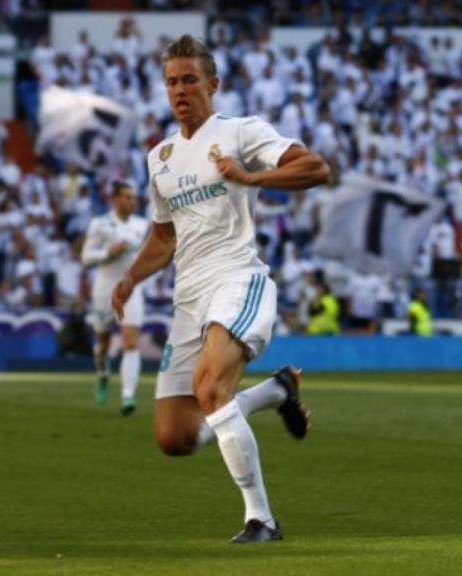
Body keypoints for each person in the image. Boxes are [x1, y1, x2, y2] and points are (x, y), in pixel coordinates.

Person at [111, 35, 330, 543]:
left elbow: (316, 168)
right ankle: (278, 391)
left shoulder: (239, 132)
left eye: (190, 79)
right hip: (189, 297)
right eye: (172, 81)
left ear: (213, 83)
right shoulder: (160, 157)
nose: (180, 90)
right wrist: (130, 276)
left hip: (238, 278)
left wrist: (252, 177)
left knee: (211, 388)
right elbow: (164, 236)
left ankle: (262, 520)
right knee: (176, 436)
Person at [80, 181, 149, 415]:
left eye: (134, 197)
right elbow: (86, 257)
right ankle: (102, 374)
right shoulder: (100, 224)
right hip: (104, 289)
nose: (132, 201)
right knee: (102, 343)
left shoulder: (142, 225)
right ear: (115, 199)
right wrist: (108, 253)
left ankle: (127, 396)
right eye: (127, 197)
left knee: (131, 343)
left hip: (131, 288)